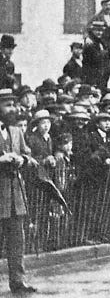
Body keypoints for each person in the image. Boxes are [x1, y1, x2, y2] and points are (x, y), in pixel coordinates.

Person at [0, 88, 38, 293]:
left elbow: (29, 157)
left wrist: (22, 160)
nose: (12, 108)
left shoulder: (16, 131)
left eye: (13, 104)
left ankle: (17, 280)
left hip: (15, 195)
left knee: (17, 240)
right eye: (7, 105)